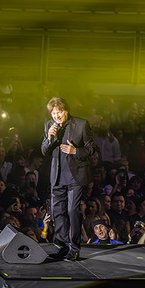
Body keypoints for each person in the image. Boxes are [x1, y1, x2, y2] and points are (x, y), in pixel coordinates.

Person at [41, 97, 97, 261]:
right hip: (57, 176)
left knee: (72, 210)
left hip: (75, 176)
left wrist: (76, 151)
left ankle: (74, 248)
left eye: (59, 112)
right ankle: (63, 246)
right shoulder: (49, 126)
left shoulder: (81, 124)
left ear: (66, 111)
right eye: (54, 113)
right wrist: (50, 138)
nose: (56, 116)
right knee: (58, 212)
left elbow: (92, 148)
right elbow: (44, 151)